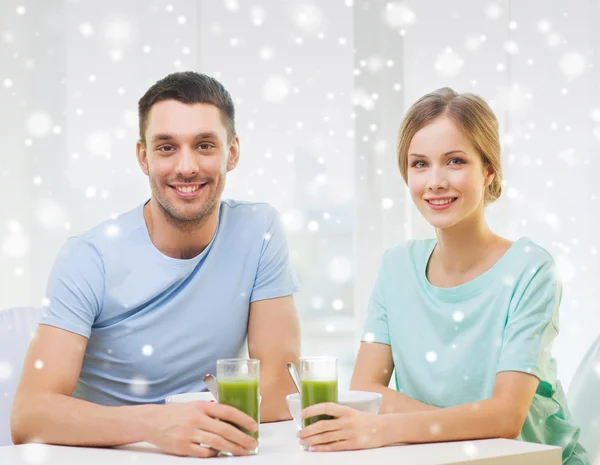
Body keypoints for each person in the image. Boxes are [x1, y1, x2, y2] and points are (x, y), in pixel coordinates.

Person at [11, 71, 301, 458]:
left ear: (232, 153)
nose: (186, 167)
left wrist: (195, 426)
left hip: (210, 451)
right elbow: (29, 416)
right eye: (166, 147)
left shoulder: (258, 230)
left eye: (204, 145)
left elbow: (282, 388)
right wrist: (154, 424)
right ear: (142, 156)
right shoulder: (88, 256)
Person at [297, 88, 589, 465]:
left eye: (454, 161)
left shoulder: (531, 270)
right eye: (419, 164)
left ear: (489, 170)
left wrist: (385, 427)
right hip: (440, 457)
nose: (434, 181)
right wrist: (461, 423)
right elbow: (366, 388)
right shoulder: (396, 266)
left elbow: (505, 416)